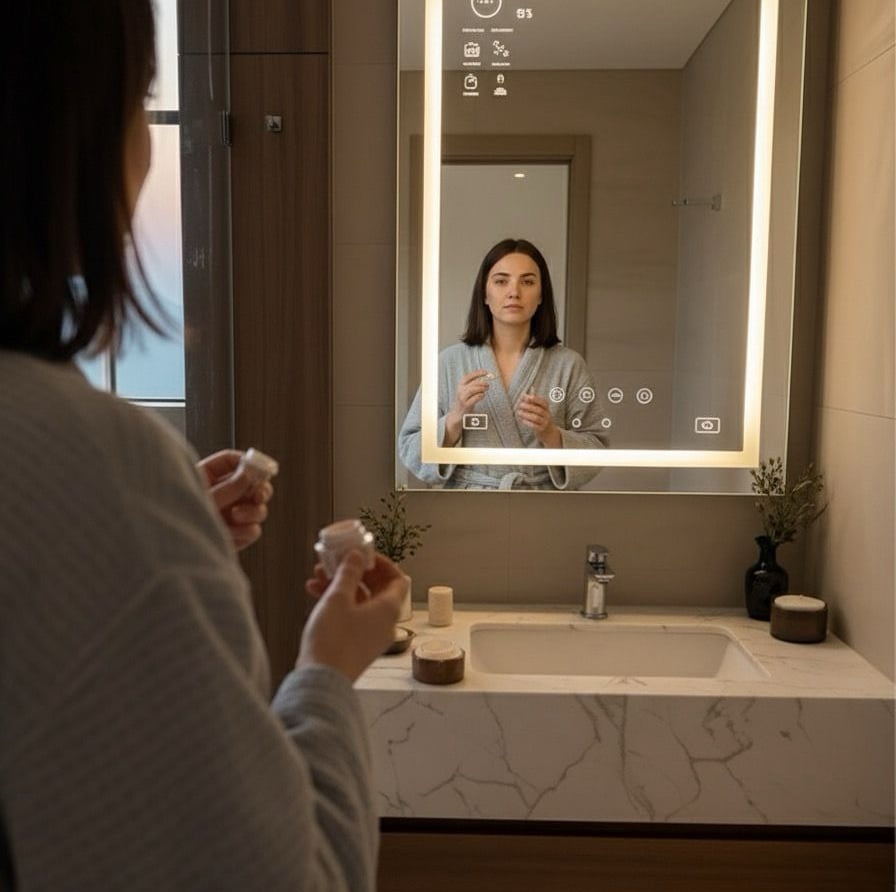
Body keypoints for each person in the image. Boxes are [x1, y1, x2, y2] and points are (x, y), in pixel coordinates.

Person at [0, 4, 406, 890]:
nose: (148, 144)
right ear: (61, 125)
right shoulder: (96, 469)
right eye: (141, 100)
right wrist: (328, 667)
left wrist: (149, 541)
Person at [399, 238, 608, 490]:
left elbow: (597, 446)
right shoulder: (449, 362)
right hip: (467, 507)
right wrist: (454, 419)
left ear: (541, 295)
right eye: (501, 281)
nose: (514, 292)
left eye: (527, 282)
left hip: (543, 508)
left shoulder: (568, 365)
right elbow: (409, 447)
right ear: (485, 294)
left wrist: (551, 435)